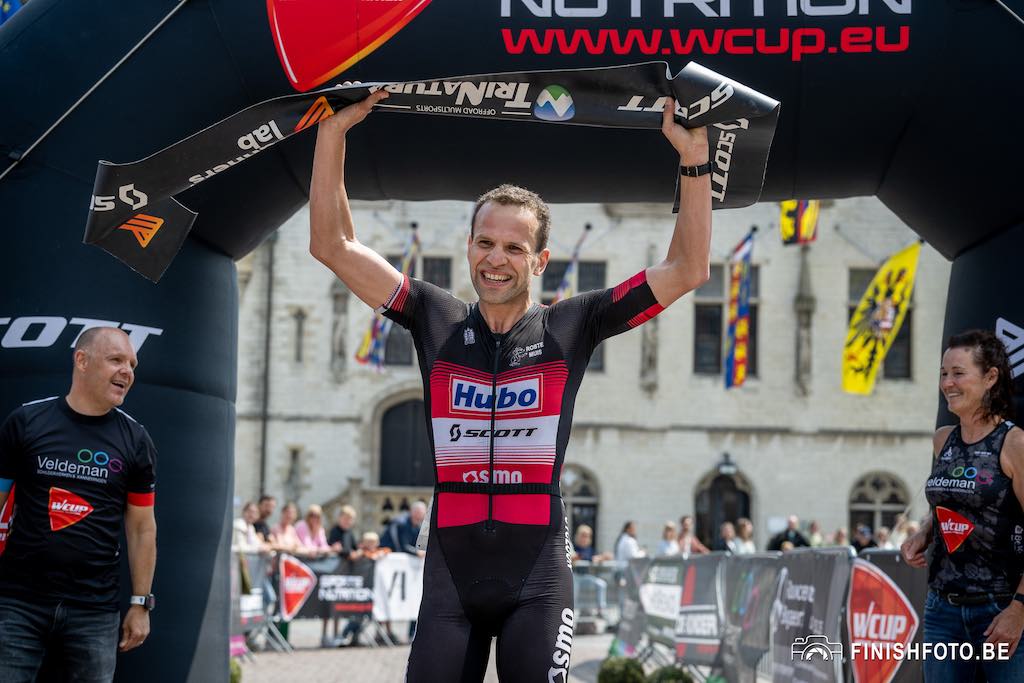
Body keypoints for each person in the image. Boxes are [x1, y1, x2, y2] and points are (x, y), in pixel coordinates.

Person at [309, 88, 711, 681]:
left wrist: (693, 159)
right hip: (451, 579)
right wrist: (332, 135)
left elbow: (688, 268)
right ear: (469, 246)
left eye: (514, 248)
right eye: (485, 243)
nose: (496, 260)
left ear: (541, 260)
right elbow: (331, 245)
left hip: (539, 582)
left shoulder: (573, 325)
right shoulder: (433, 316)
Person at [0, 327, 157, 681]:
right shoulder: (26, 421)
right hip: (18, 604)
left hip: (95, 611)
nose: (127, 371)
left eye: (132, 363)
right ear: (82, 360)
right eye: (116, 359)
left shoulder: (136, 440)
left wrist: (140, 603)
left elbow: (142, 527)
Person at [901, 329, 1024, 681]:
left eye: (958, 373)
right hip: (942, 610)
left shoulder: (1014, 444)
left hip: (1000, 609)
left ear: (990, 377)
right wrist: (924, 533)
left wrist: (1020, 610)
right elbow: (950, 503)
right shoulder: (943, 439)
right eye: (943, 373)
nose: (948, 383)